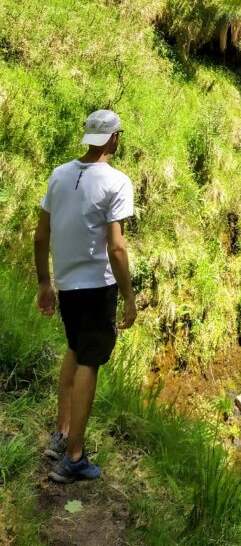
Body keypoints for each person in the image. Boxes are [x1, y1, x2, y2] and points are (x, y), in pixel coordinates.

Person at [34, 109, 137, 483]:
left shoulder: (59, 175)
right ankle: (74, 456)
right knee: (89, 362)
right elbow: (117, 247)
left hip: (66, 284)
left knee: (76, 350)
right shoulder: (117, 182)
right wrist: (128, 296)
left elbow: (41, 236)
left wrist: (45, 283)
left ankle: (61, 435)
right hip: (97, 286)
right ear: (113, 139)